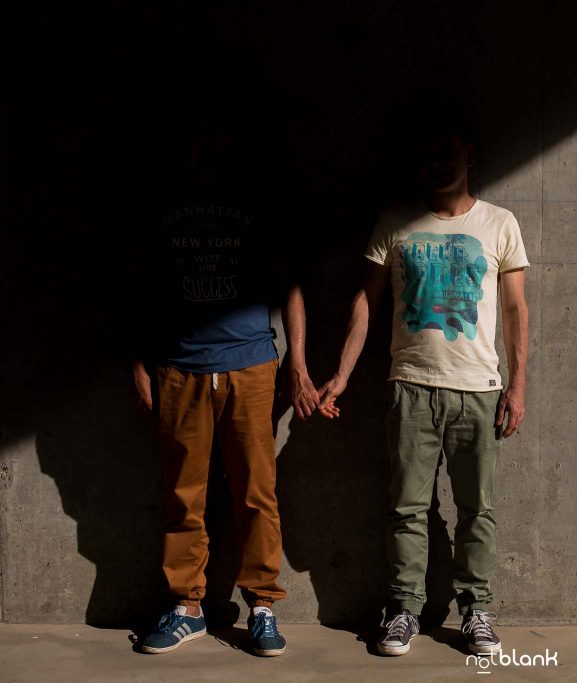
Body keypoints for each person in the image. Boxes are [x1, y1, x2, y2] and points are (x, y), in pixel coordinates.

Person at [316, 115, 529, 656]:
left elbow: (515, 307)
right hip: (410, 386)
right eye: (428, 153)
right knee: (407, 508)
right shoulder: (395, 222)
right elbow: (365, 302)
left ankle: (476, 610)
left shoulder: (500, 223)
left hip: (479, 388)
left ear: (469, 155)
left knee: (476, 509)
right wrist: (341, 374)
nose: (439, 162)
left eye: (448, 150)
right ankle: (404, 609)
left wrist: (518, 383)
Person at [129, 125, 316, 656]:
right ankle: (186, 608)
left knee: (257, 492)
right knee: (184, 495)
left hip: (252, 367)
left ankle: (261, 607)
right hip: (179, 368)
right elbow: (141, 290)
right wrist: (137, 364)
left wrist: (298, 365)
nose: (209, 150)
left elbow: (291, 288)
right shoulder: (162, 206)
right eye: (199, 141)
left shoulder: (260, 206)